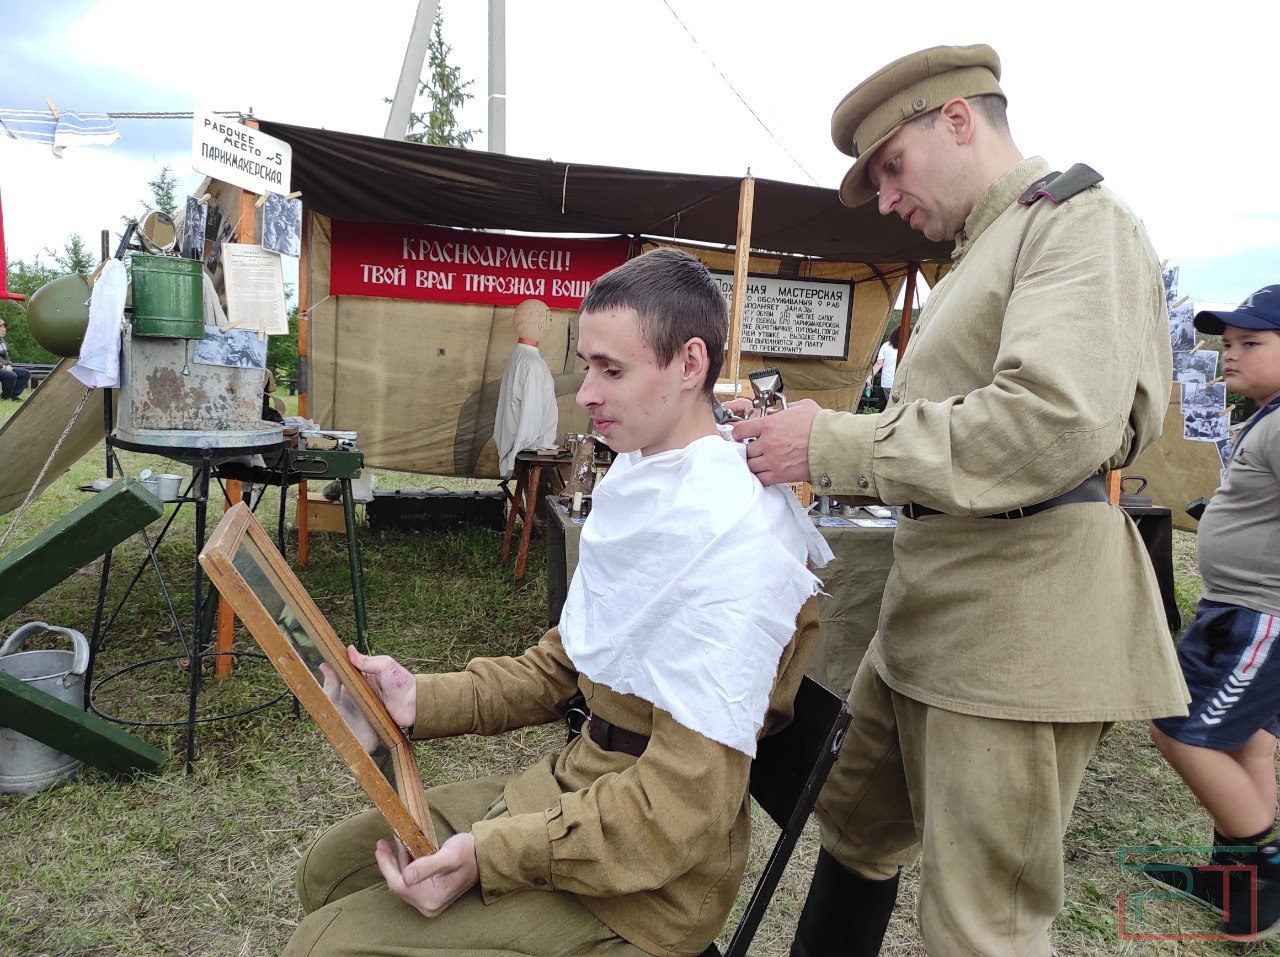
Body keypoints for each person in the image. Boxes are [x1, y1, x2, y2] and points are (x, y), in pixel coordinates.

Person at [731, 43, 1188, 955]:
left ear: (957, 119)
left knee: (984, 923)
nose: (889, 198)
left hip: (1018, 633)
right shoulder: (975, 258)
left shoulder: (1078, 223)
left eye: (891, 168)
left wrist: (830, 440)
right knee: (855, 828)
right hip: (928, 618)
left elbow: (1049, 424)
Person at [285, 247, 832, 957]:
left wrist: (496, 853)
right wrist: (419, 698)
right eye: (588, 364)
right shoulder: (645, 480)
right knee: (330, 871)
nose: (585, 393)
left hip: (646, 887)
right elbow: (566, 663)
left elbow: (678, 809)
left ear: (689, 364)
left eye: (612, 369)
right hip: (578, 789)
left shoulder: (733, 538)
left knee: (323, 945)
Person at [1146, 286, 1280, 939]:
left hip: (1256, 616)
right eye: (1228, 343)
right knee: (1246, 740)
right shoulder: (1266, 413)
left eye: (1251, 343)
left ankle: (1267, 868)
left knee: (1178, 727)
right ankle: (1232, 878)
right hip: (1244, 609)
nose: (1230, 354)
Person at [493, 298, 559, 478]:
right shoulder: (531, 364)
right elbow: (531, 414)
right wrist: (519, 451)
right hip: (531, 450)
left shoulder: (519, 356)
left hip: (525, 447)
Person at [864, 326, 901, 411]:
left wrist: (869, 377)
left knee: (890, 408)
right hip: (902, 382)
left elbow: (879, 364)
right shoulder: (908, 347)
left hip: (887, 383)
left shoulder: (886, 346)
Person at [0, 319, 30, 401]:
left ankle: (13, 396)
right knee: (11, 375)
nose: (3, 329)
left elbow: (6, 357)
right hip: (1, 368)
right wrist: (4, 367)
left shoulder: (2, 341)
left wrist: (9, 365)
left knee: (25, 373)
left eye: (4, 327)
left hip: (3, 368)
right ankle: (4, 398)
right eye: (0, 327)